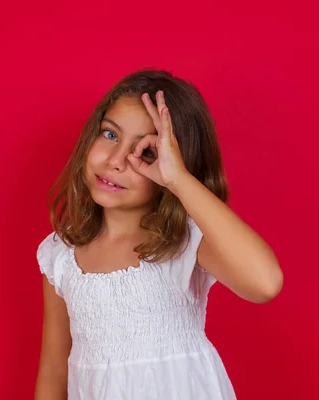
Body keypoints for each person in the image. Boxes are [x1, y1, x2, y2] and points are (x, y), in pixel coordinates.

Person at [34, 69, 283, 399]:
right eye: (110, 135)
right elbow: (54, 368)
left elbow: (265, 283)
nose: (116, 161)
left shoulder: (183, 241)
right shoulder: (61, 255)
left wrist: (178, 179)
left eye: (146, 152)